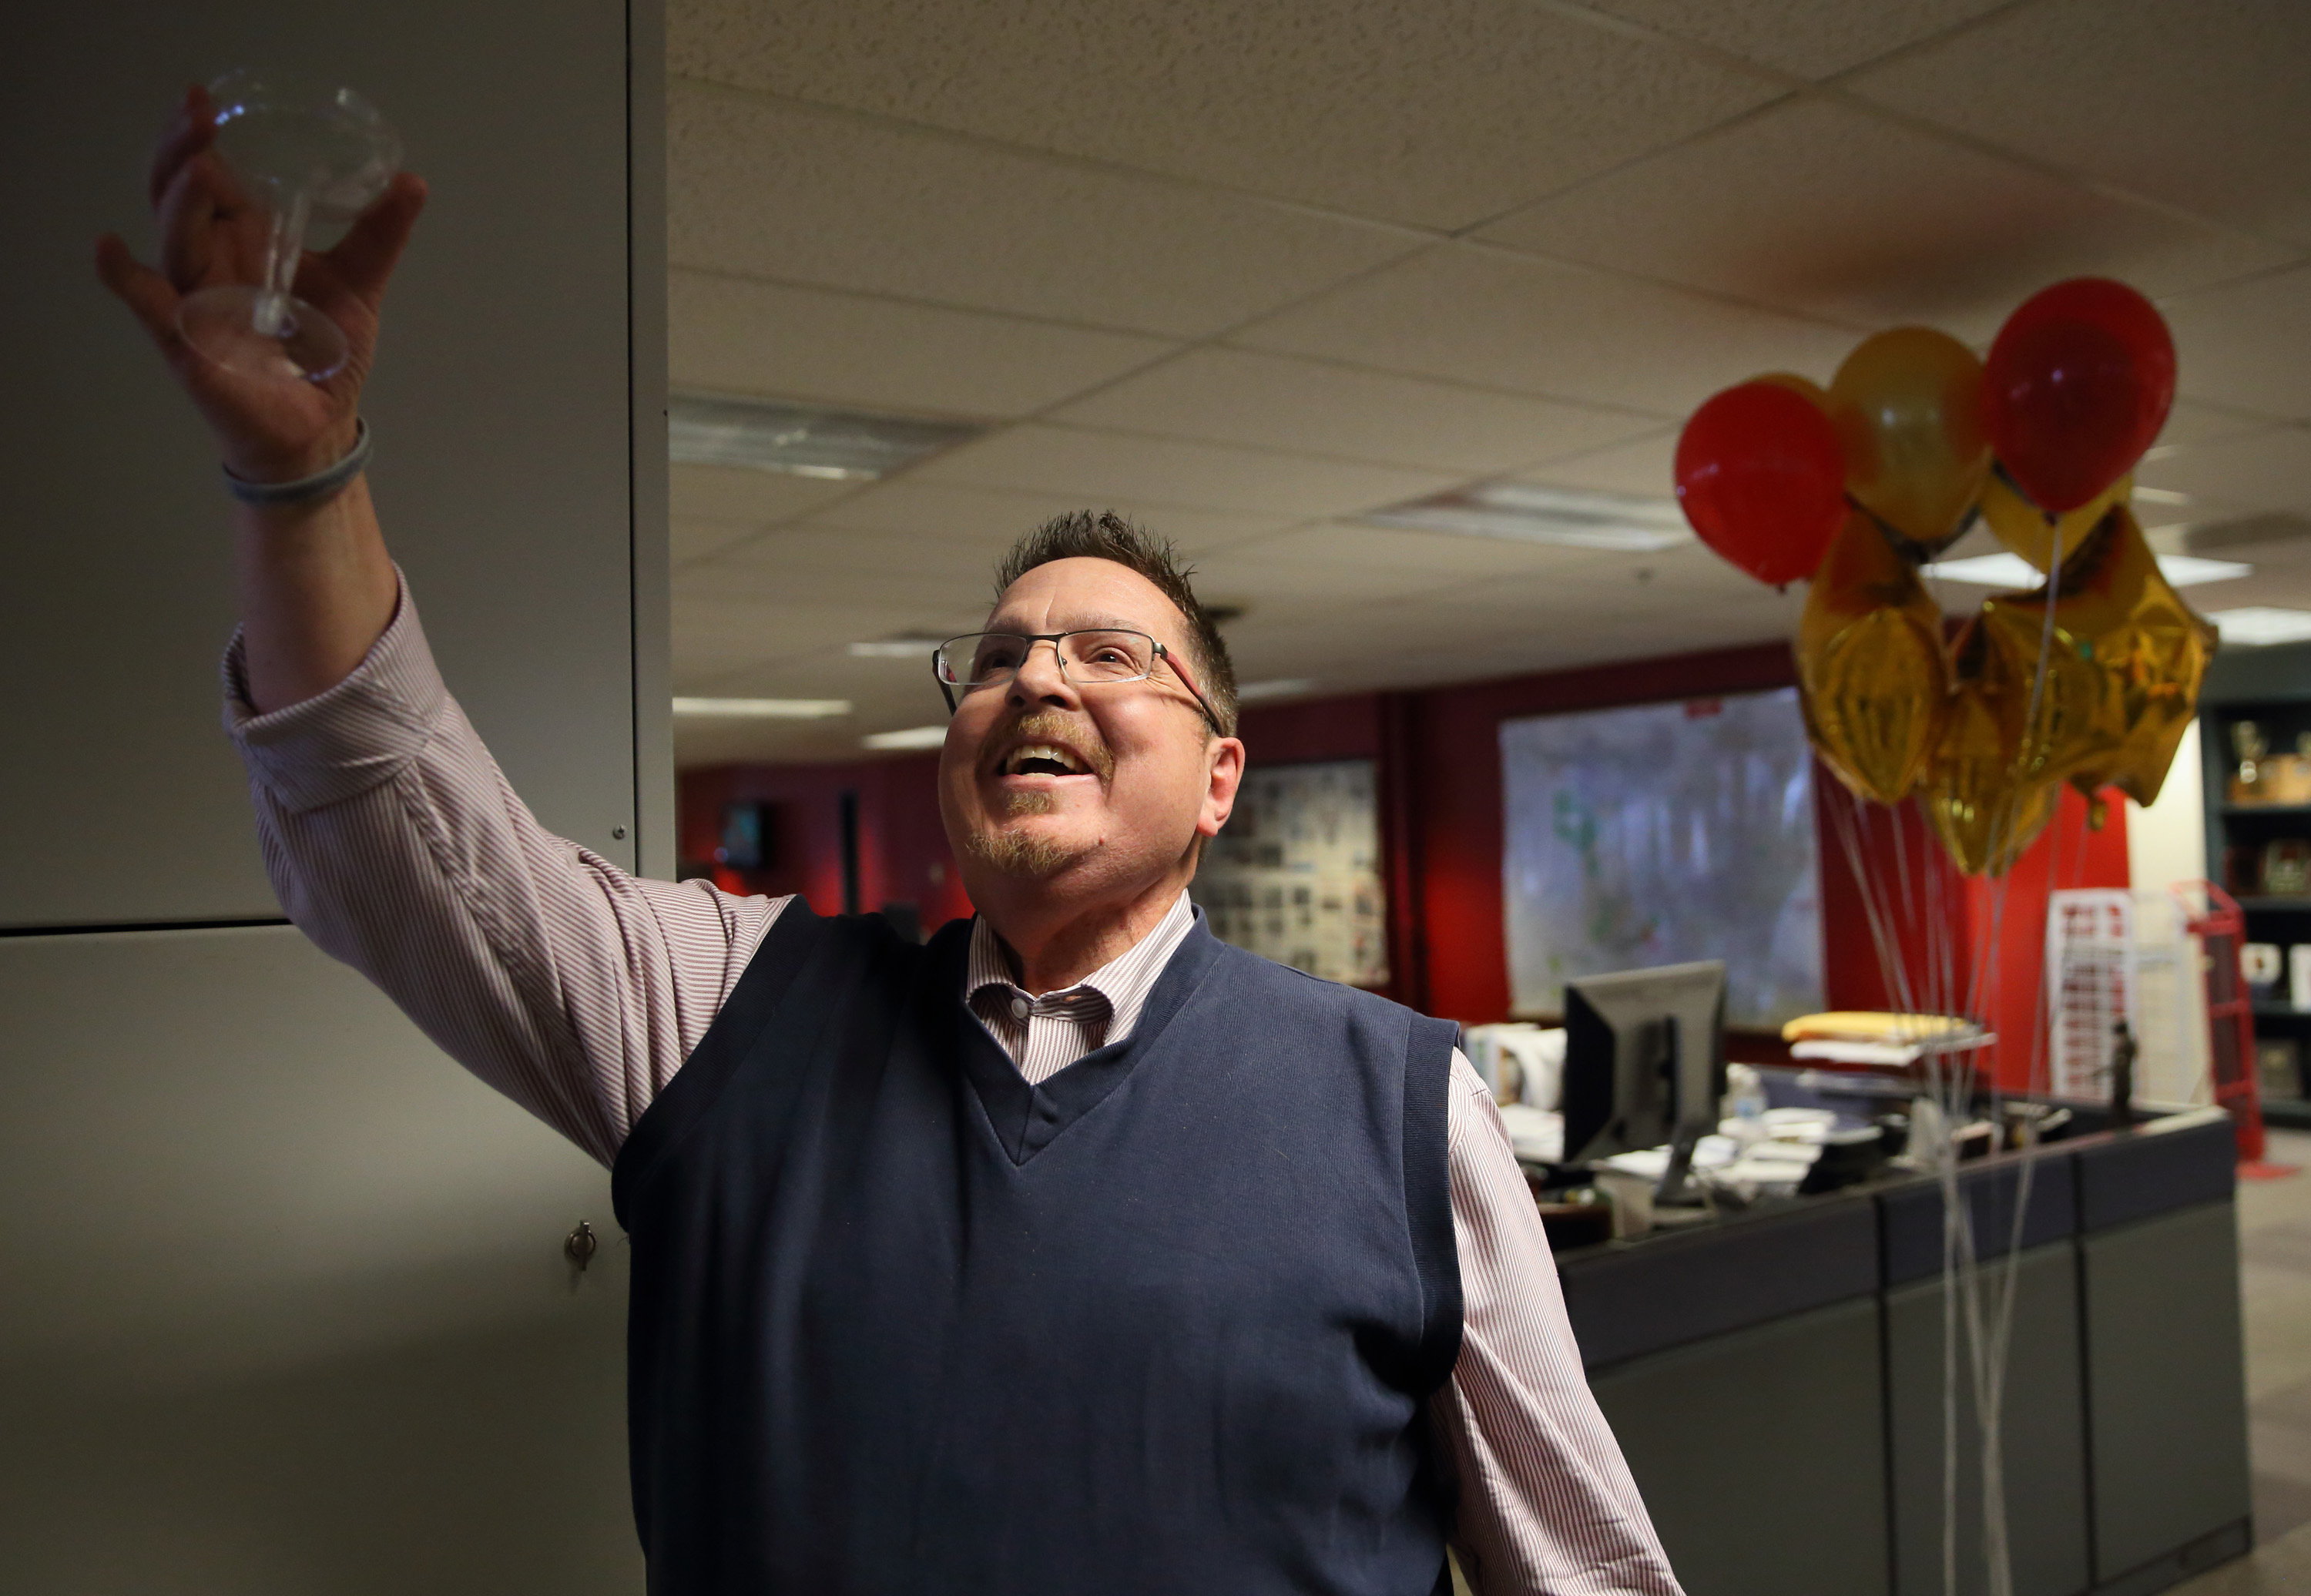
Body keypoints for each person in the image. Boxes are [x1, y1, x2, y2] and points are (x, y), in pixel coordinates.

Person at [100, 86, 1684, 1596]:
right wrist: (302, 482)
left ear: (1220, 782)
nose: (1038, 674)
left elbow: (1590, 1571)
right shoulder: (725, 1013)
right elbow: (391, 815)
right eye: (996, 657)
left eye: (1114, 656)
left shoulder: (1403, 1112)